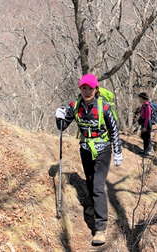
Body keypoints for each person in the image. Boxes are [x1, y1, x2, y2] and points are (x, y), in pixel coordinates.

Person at [55, 74, 122, 246]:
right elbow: (62, 127)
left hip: (103, 150)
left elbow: (114, 130)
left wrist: (118, 152)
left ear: (96, 89)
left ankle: (100, 227)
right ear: (80, 89)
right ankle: (92, 206)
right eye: (83, 88)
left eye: (89, 88)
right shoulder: (75, 106)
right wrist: (59, 116)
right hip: (85, 150)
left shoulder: (104, 107)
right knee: (91, 182)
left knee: (98, 185)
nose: (86, 91)